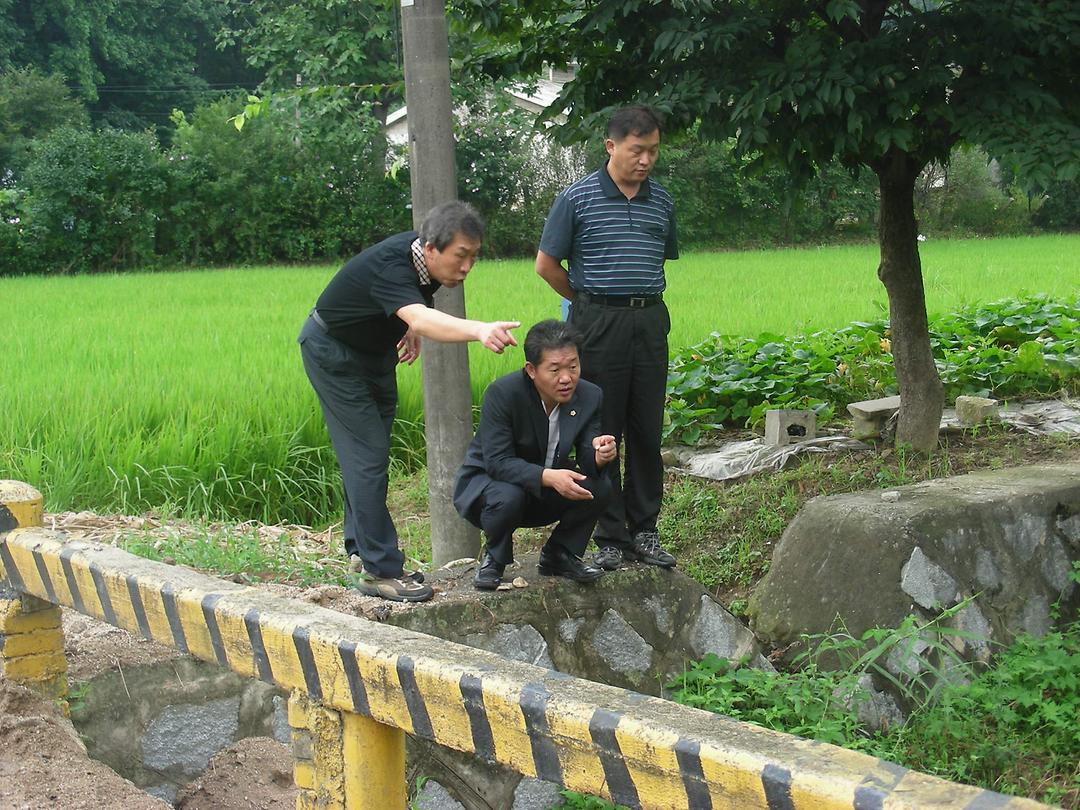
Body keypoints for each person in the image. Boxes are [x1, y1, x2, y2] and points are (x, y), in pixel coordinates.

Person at [299, 201, 519, 603]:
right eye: (461, 256)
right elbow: (417, 312)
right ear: (432, 247)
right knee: (368, 456)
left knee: (368, 454)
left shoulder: (422, 260)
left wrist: (405, 324)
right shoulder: (393, 263)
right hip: (334, 353)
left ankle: (359, 549)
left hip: (373, 354)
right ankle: (379, 570)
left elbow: (411, 305)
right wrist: (477, 329)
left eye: (474, 257)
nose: (467, 267)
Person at [534, 105, 679, 572]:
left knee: (646, 429)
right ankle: (610, 535)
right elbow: (546, 265)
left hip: (649, 320)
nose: (646, 160)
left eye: (653, 151)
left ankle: (646, 530)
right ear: (611, 146)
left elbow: (658, 258)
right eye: (637, 150)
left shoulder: (662, 201)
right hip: (597, 322)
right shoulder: (576, 198)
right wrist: (586, 303)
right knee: (603, 430)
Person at [453, 319, 616, 590]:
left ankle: (560, 554)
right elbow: (498, 463)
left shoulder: (590, 395)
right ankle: (495, 558)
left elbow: (588, 453)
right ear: (531, 370)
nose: (566, 378)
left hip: (544, 488)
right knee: (508, 495)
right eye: (555, 369)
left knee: (598, 487)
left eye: (573, 366)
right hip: (491, 489)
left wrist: (600, 454)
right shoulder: (504, 394)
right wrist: (549, 476)